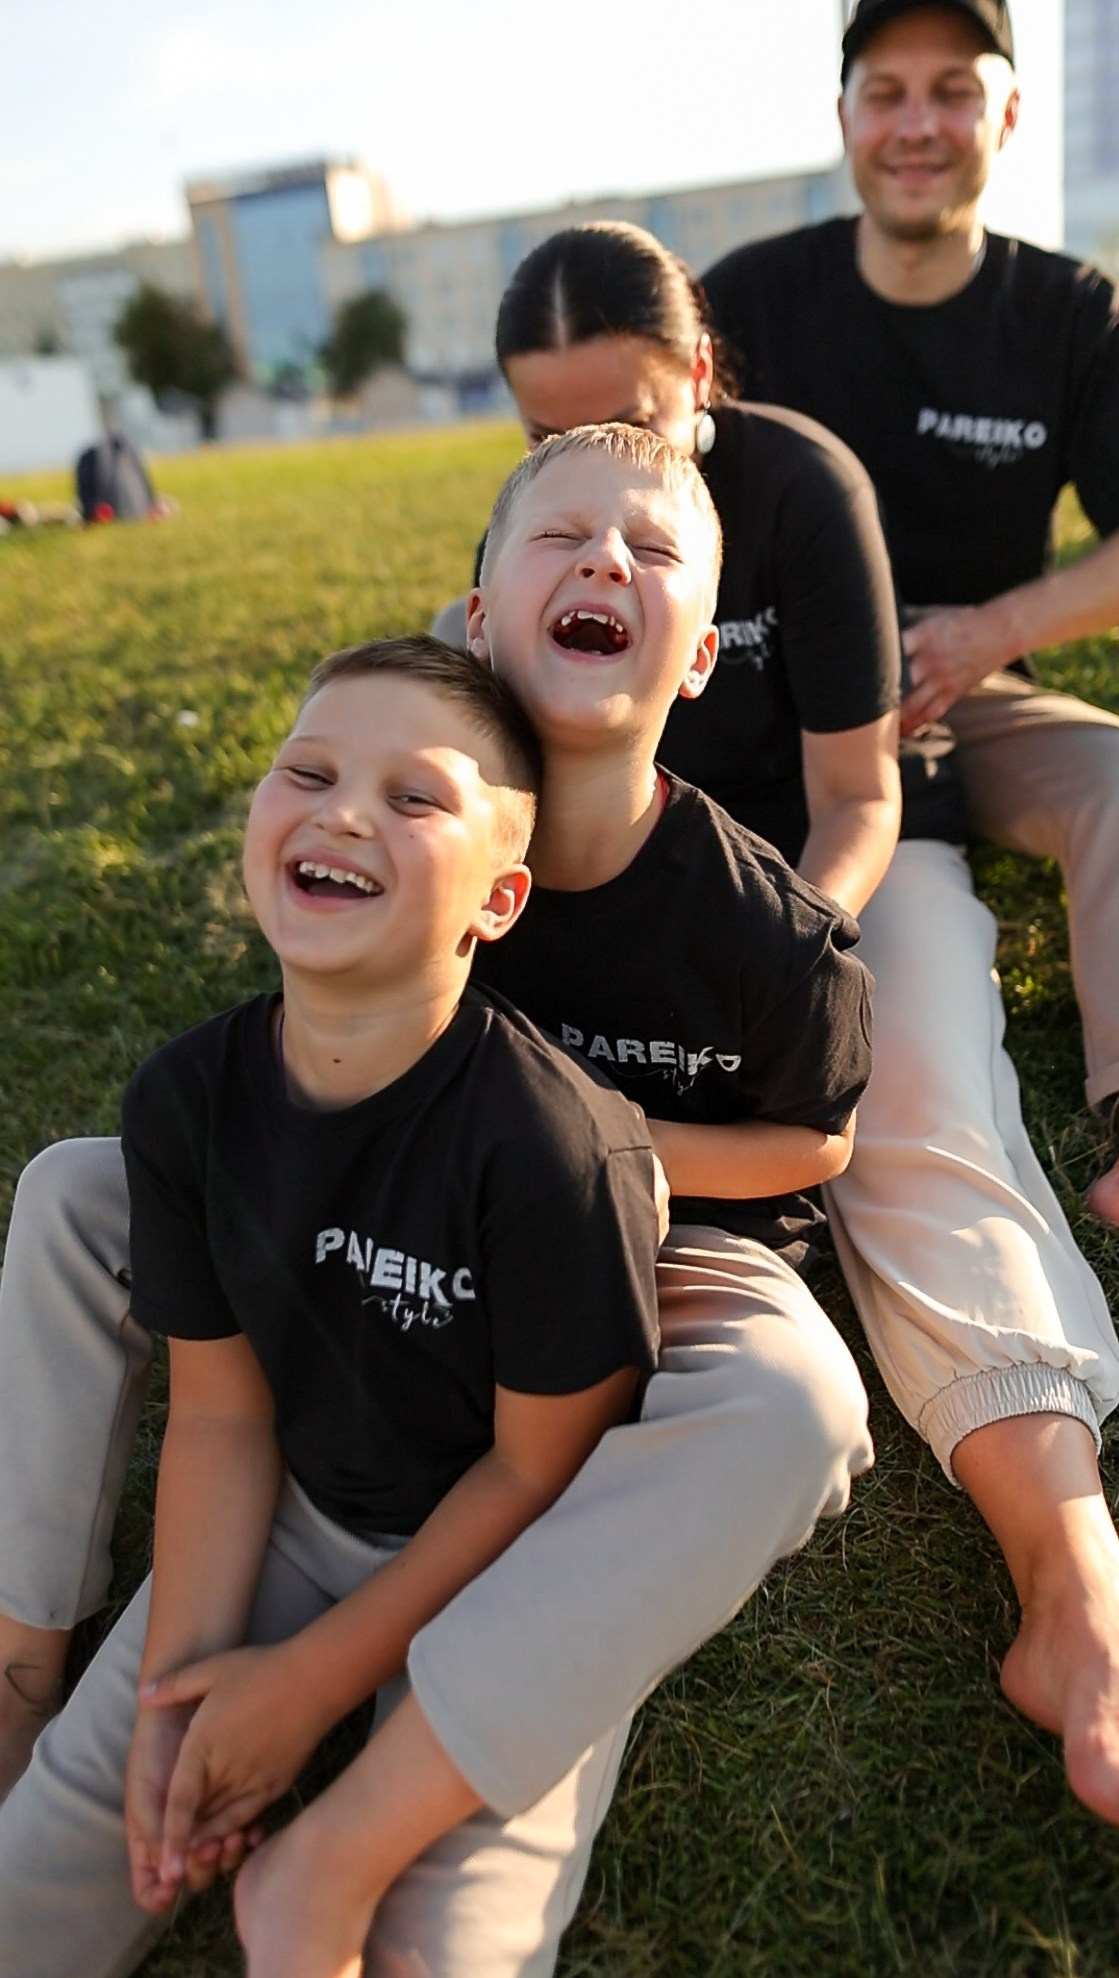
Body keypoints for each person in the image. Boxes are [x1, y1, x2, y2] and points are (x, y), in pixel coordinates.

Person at [0, 431, 874, 1973]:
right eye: (560, 539)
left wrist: (614, 1153)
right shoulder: (414, 823)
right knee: (79, 1189)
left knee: (792, 1392)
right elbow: (306, 1090)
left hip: (663, 1244)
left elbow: (810, 1146)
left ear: (699, 663)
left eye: (652, 555)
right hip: (403, 1229)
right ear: (477, 612)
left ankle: (378, 1814)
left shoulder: (760, 933)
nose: (604, 561)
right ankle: (28, 1650)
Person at [432, 213, 1119, 1824]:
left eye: (630, 416)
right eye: (541, 436)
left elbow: (858, 786)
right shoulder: (548, 537)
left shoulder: (800, 484)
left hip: (820, 879)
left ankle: (1070, 1576)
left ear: (701, 376)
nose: (586, 463)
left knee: (918, 1107)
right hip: (611, 896)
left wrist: (787, 963)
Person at [0, 633, 665, 1976]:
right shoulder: (183, 1100)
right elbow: (224, 1419)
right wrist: (174, 1706)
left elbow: (538, 1474)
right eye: (305, 769)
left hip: (507, 1575)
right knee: (41, 1881)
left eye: (414, 798)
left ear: (499, 898)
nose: (342, 809)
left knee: (448, 1945)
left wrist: (310, 1686)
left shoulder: (550, 1149)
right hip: (296, 1517)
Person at [703, 0, 1119, 1226]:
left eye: (953, 89)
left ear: (1008, 112)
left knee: (1116, 778)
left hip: (964, 683)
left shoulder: (1068, 314)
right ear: (844, 118)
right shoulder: (749, 303)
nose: (917, 125)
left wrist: (994, 630)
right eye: (886, 92)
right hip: (782, 698)